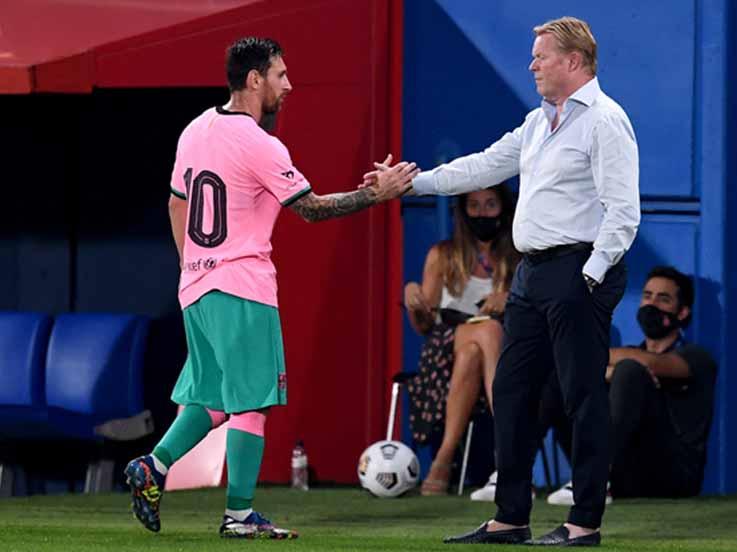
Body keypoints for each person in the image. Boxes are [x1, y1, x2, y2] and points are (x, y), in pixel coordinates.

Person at [123, 37, 419, 540]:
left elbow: (176, 204)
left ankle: (154, 465)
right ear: (255, 79)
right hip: (241, 284)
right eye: (281, 75)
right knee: (252, 402)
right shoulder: (260, 142)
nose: (289, 85)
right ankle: (239, 516)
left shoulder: (196, 129)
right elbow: (311, 208)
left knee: (214, 397)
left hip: (196, 285)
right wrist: (378, 193)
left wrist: (192, 264)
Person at [368, 16, 639, 546]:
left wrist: (589, 274)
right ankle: (510, 517)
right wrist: (410, 182)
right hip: (533, 272)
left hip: (579, 270)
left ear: (574, 62)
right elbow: (480, 167)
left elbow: (623, 212)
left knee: (583, 396)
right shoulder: (538, 122)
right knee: (511, 393)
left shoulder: (606, 120)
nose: (532, 64)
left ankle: (584, 523)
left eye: (542, 56)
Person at [546, 266, 717, 505]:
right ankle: (512, 474)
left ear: (682, 312)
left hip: (672, 477)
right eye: (647, 296)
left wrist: (613, 369)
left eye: (663, 299)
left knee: (629, 370)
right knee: (560, 379)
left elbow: (653, 364)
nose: (651, 305)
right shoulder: (630, 356)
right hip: (626, 472)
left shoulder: (698, 358)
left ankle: (593, 476)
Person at [403, 186, 520, 495]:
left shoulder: (519, 257)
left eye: (490, 204)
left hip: (493, 354)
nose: (482, 213)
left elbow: (536, 314)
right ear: (464, 212)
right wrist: (413, 297)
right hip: (443, 349)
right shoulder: (443, 255)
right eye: (475, 205)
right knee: (487, 332)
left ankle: (443, 460)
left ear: (504, 209)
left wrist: (511, 300)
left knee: (475, 350)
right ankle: (511, 456)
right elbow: (424, 325)